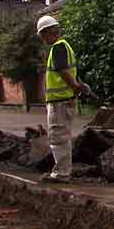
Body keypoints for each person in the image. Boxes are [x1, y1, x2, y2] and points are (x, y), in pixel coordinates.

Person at [36, 15, 90, 183]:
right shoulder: (66, 47)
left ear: (47, 32)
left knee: (58, 137)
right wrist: (79, 85)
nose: (42, 39)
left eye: (42, 35)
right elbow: (69, 71)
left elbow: (63, 71)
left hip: (60, 101)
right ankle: (63, 171)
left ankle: (61, 174)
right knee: (62, 136)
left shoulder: (58, 47)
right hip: (64, 99)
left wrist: (75, 86)